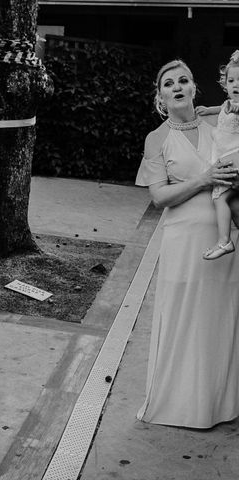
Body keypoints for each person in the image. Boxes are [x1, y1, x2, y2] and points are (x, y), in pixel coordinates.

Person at [135, 59, 239, 428]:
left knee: (219, 320)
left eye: (183, 80)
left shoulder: (220, 125)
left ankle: (219, 405)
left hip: (224, 240)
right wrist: (205, 179)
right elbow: (159, 198)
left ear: (195, 89)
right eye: (168, 84)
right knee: (183, 321)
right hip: (182, 242)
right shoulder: (157, 139)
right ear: (160, 97)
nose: (176, 86)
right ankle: (179, 405)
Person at [194, 51, 239, 260]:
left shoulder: (236, 106)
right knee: (227, 197)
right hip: (228, 153)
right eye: (231, 80)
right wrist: (207, 110)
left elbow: (233, 109)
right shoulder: (227, 104)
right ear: (225, 83)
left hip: (234, 156)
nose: (236, 85)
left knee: (219, 196)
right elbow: (222, 108)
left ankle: (224, 241)